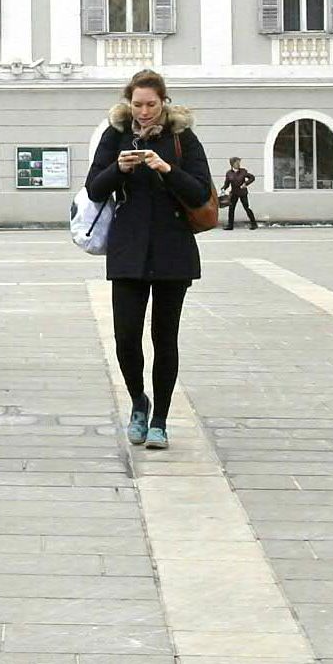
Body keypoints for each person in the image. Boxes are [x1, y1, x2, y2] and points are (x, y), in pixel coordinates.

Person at [85, 69, 213, 452]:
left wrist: (165, 168)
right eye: (137, 104)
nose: (144, 112)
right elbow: (93, 188)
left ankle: (160, 421)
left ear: (163, 102)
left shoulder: (182, 138)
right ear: (129, 103)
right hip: (128, 250)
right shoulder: (115, 135)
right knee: (126, 336)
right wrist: (118, 167)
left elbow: (200, 193)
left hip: (173, 250)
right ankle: (139, 402)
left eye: (151, 105)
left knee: (164, 337)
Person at [220, 156, 259, 230]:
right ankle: (230, 226)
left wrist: (246, 184)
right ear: (232, 164)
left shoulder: (243, 171)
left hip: (242, 193)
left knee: (246, 207)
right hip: (234, 193)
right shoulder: (229, 173)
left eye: (239, 162)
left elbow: (252, 177)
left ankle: (254, 224)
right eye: (236, 163)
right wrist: (223, 188)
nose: (238, 164)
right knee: (231, 209)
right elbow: (227, 184)